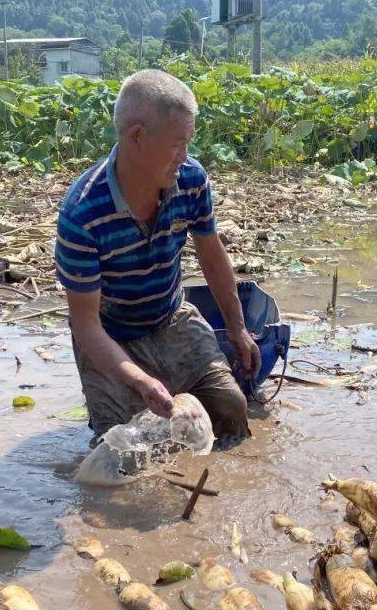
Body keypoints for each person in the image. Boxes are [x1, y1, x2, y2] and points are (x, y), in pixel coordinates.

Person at [55, 69, 259, 444]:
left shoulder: (191, 180)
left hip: (171, 318)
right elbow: (85, 325)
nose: (185, 157)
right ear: (137, 137)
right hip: (111, 337)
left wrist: (238, 328)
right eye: (178, 144)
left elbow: (211, 255)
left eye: (189, 144)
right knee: (120, 449)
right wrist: (143, 382)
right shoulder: (83, 213)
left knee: (231, 407)